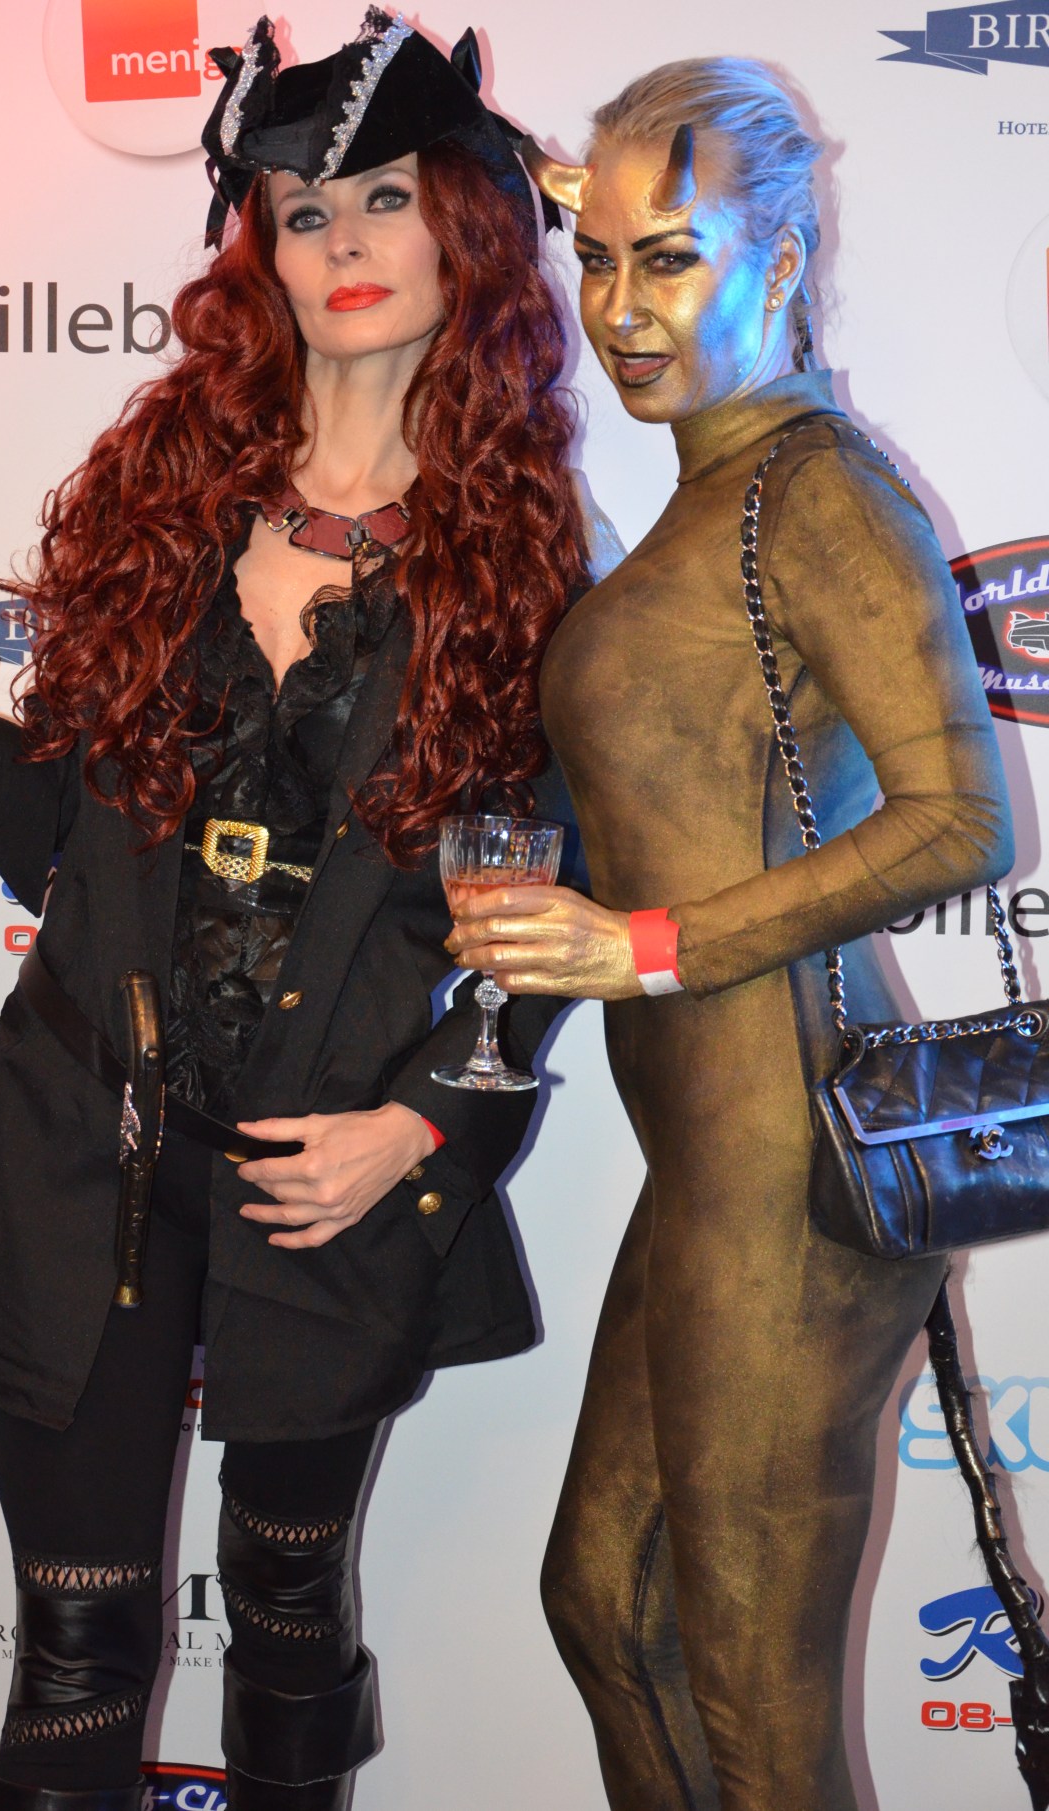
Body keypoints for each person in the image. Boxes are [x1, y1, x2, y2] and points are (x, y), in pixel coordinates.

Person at [0, 15, 597, 1809]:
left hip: (328, 1170)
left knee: (284, 1618)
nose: (341, 243)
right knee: (74, 1655)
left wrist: (420, 1128)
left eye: (383, 199)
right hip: (89, 1145)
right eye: (301, 211)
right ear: (258, 248)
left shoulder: (524, 560)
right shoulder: (164, 493)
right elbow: (76, 842)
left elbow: (552, 916)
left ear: (466, 228)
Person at [446, 58, 1014, 1811]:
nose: (621, 309)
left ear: (782, 258)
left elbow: (963, 820)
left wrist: (645, 947)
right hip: (706, 1172)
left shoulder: (816, 488)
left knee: (759, 1722)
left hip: (790, 1181)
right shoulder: (711, 492)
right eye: (597, 258)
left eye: (672, 260)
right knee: (610, 1612)